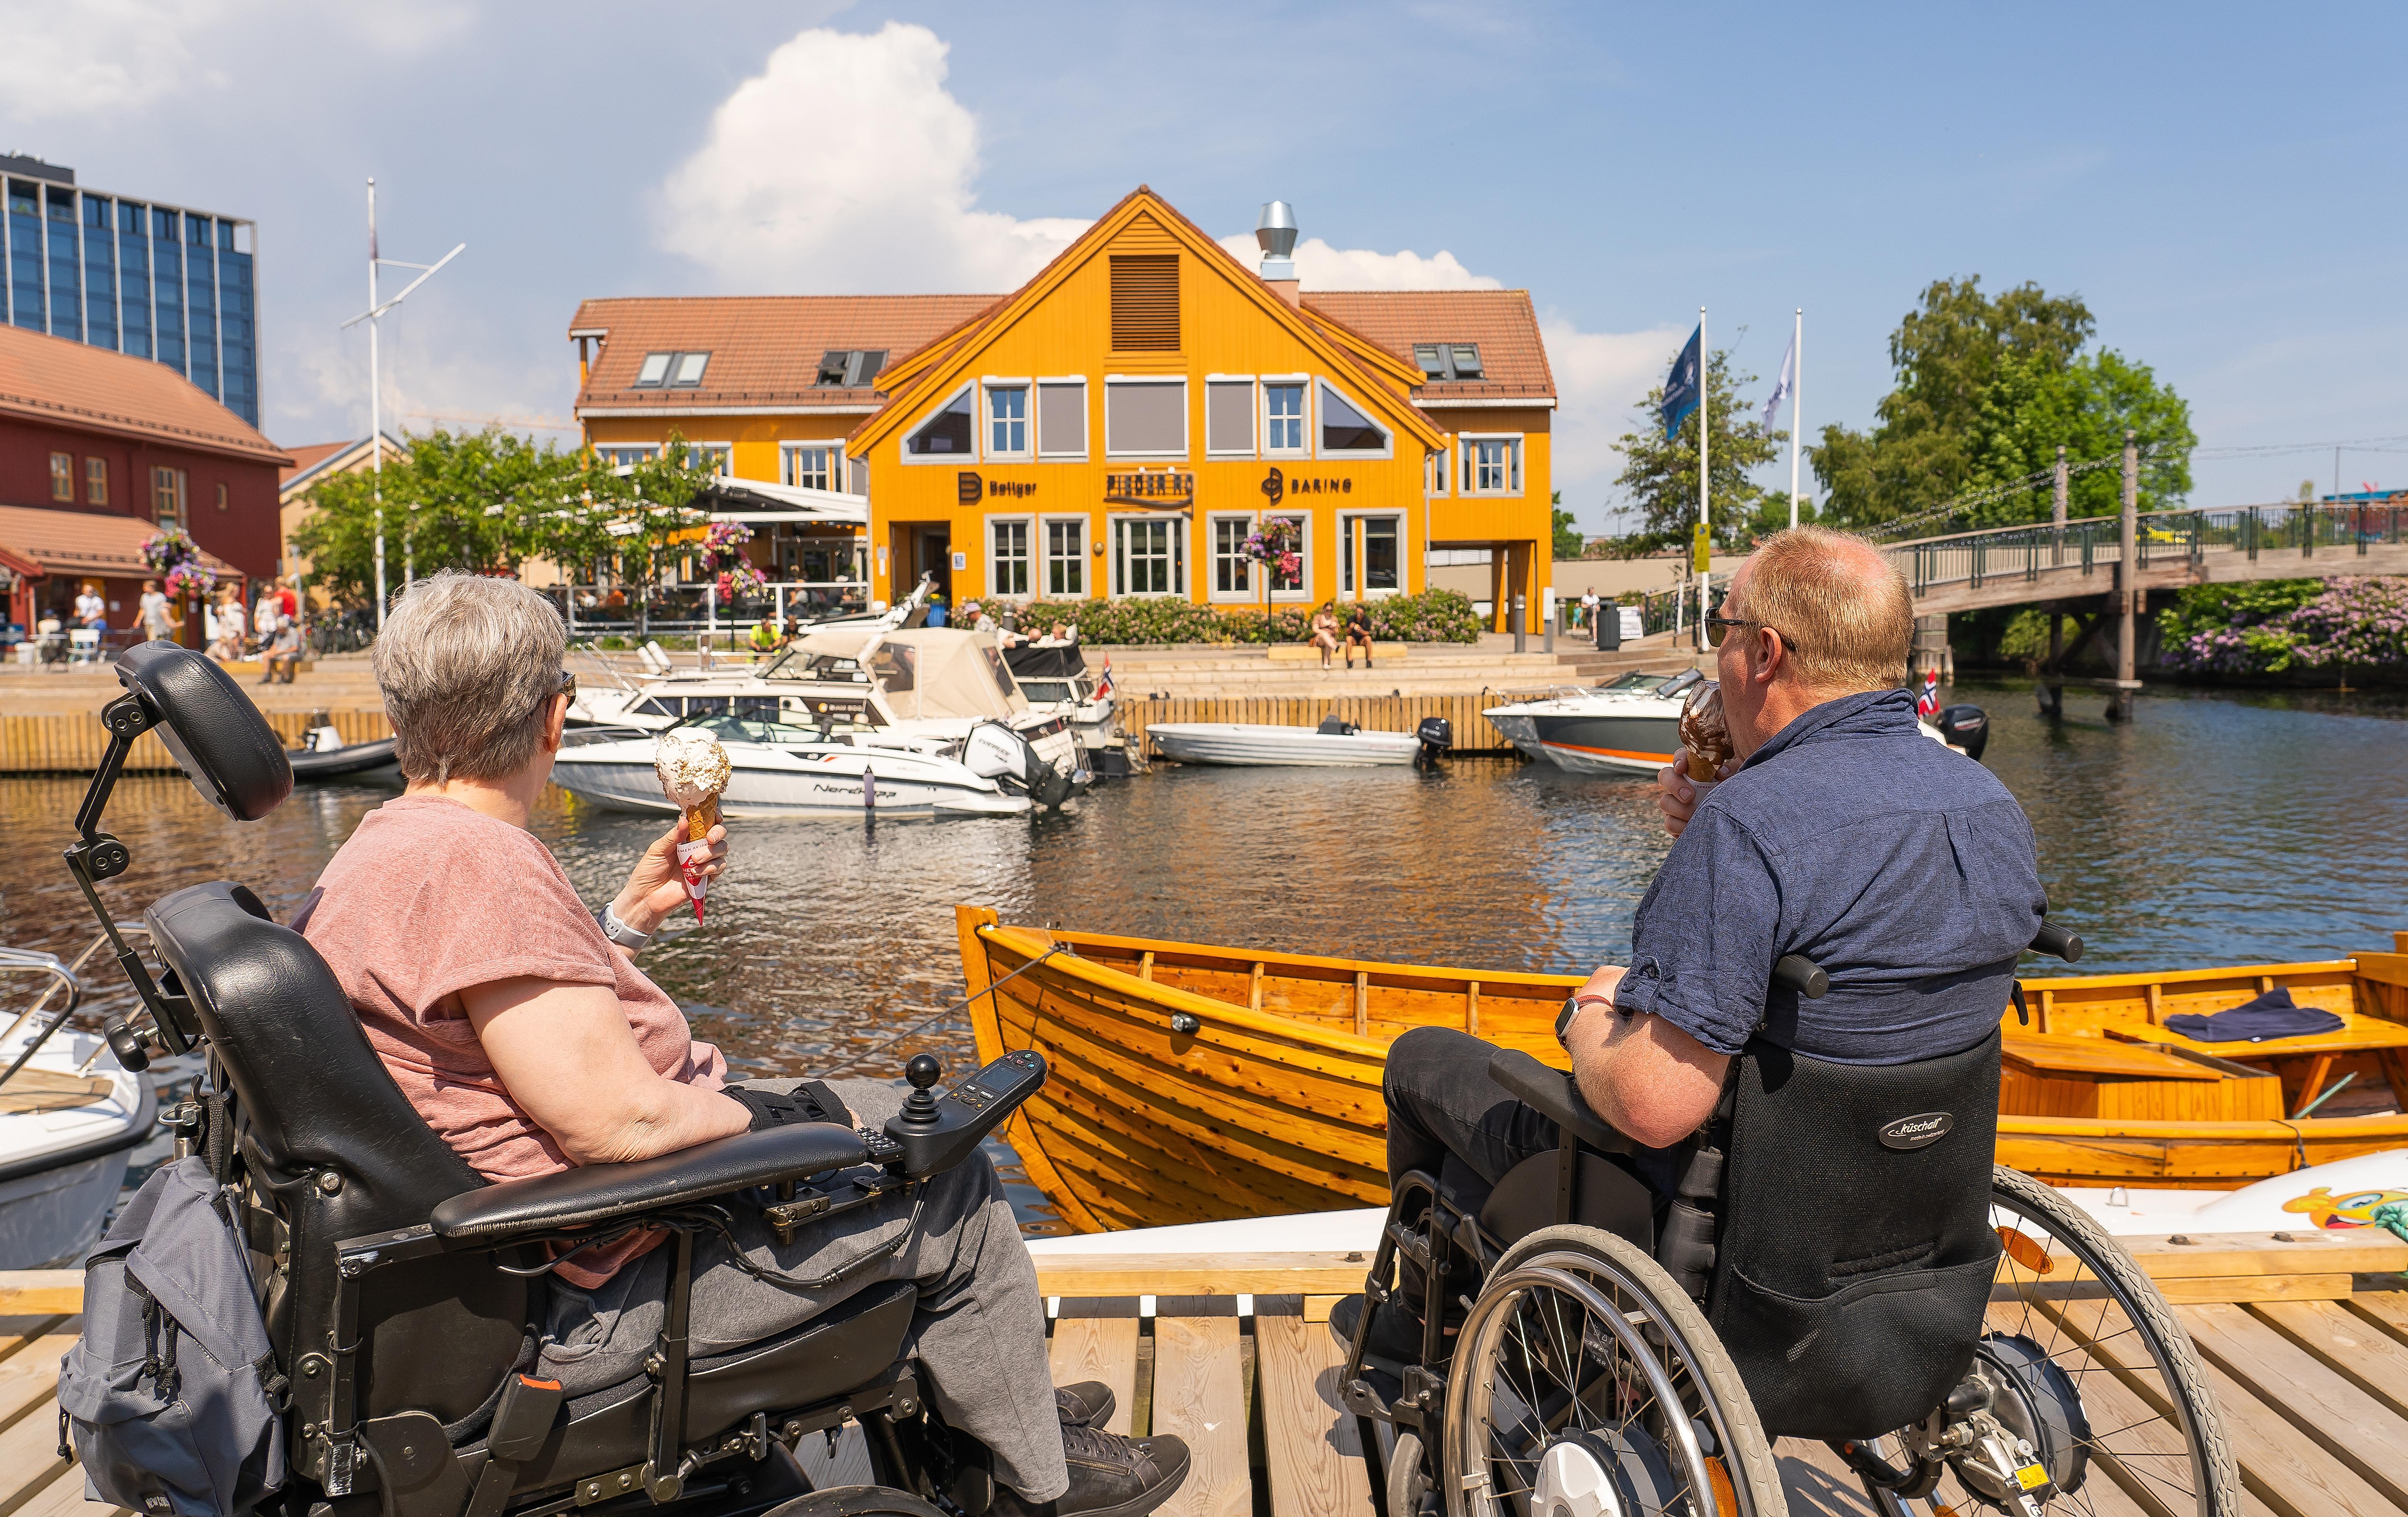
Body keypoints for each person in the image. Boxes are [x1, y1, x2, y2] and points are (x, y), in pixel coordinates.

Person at [301, 573, 1188, 1517]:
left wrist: (623, 925)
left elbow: (489, 1037)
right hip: (613, 1283)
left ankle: (996, 1398)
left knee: (885, 1115)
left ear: (402, 712)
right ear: (552, 718)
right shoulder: (484, 867)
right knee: (950, 1175)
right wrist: (781, 1121)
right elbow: (622, 1124)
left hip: (531, 1257)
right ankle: (1036, 1487)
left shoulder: (383, 850)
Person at [1340, 526, 2046, 1359]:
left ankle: (1422, 1326)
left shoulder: (1749, 825)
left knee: (1422, 1061)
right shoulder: (1984, 798)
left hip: (1743, 1236)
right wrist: (1711, 816)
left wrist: (1594, 1013)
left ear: (1766, 652)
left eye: (1722, 629)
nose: (1718, 653)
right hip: (1909, 1209)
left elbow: (1654, 1104)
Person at [260, 618, 303, 684]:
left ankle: (284, 677)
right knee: (266, 655)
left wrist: (281, 652)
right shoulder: (279, 633)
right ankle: (267, 676)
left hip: (293, 654)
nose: (280, 631)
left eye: (281, 629)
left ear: (285, 628)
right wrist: (271, 652)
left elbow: (295, 648)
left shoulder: (293, 632)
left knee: (286, 657)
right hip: (280, 653)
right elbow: (275, 645)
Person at [138, 580, 173, 644]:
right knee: (152, 640)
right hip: (148, 621)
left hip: (158, 622)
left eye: (145, 587)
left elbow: (164, 608)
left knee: (154, 641)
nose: (143, 589)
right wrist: (138, 621)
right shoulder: (144, 597)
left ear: (152, 587)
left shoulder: (160, 597)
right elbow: (143, 609)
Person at [1343, 602, 1374, 669]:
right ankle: (1350, 661)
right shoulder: (1351, 619)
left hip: (1362, 639)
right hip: (1354, 639)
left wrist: (1361, 631)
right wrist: (1351, 628)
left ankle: (1369, 661)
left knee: (1368, 639)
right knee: (1348, 639)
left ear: (1364, 614)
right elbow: (1347, 632)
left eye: (1361, 614)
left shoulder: (1367, 620)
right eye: (1357, 614)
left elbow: (1368, 633)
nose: (1359, 616)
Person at [1308, 604, 1340, 670]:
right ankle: (1334, 647)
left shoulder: (1334, 619)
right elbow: (1315, 629)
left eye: (1331, 610)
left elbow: (1336, 633)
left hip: (1331, 638)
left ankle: (1326, 664)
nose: (1329, 612)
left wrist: (1335, 627)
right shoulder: (1318, 617)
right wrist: (1323, 632)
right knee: (1325, 635)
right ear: (1324, 610)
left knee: (1329, 641)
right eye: (1327, 610)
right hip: (1320, 638)